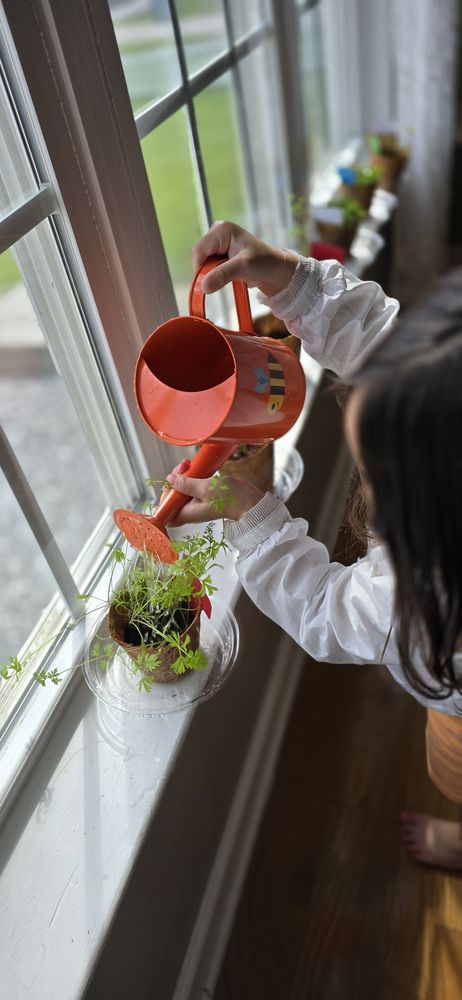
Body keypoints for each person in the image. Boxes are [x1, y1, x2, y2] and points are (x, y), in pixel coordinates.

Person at [164, 220, 462, 870]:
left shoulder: (420, 608)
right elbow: (399, 356)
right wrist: (291, 281)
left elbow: (327, 608)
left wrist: (254, 517)